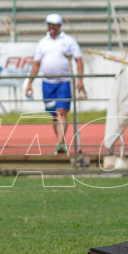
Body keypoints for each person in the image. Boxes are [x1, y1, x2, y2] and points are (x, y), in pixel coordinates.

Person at [24, 13, 85, 154]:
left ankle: (60, 143)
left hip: (64, 82)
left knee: (61, 112)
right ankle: (60, 142)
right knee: (54, 115)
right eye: (49, 24)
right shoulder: (43, 42)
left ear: (59, 25)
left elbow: (79, 60)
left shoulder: (69, 41)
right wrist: (30, 82)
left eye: (53, 25)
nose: (51, 27)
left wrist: (80, 80)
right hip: (48, 83)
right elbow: (36, 63)